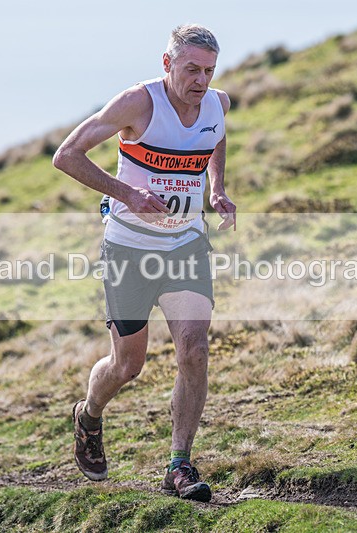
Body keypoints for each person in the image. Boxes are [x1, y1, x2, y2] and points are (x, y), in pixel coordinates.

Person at [52, 23, 235, 502]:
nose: (200, 80)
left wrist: (216, 189)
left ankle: (179, 464)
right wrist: (126, 193)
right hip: (129, 250)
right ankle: (88, 414)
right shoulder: (138, 103)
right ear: (167, 63)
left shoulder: (218, 103)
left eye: (209, 71)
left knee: (194, 348)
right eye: (191, 68)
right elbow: (66, 155)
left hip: (184, 247)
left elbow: (214, 138)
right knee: (127, 365)